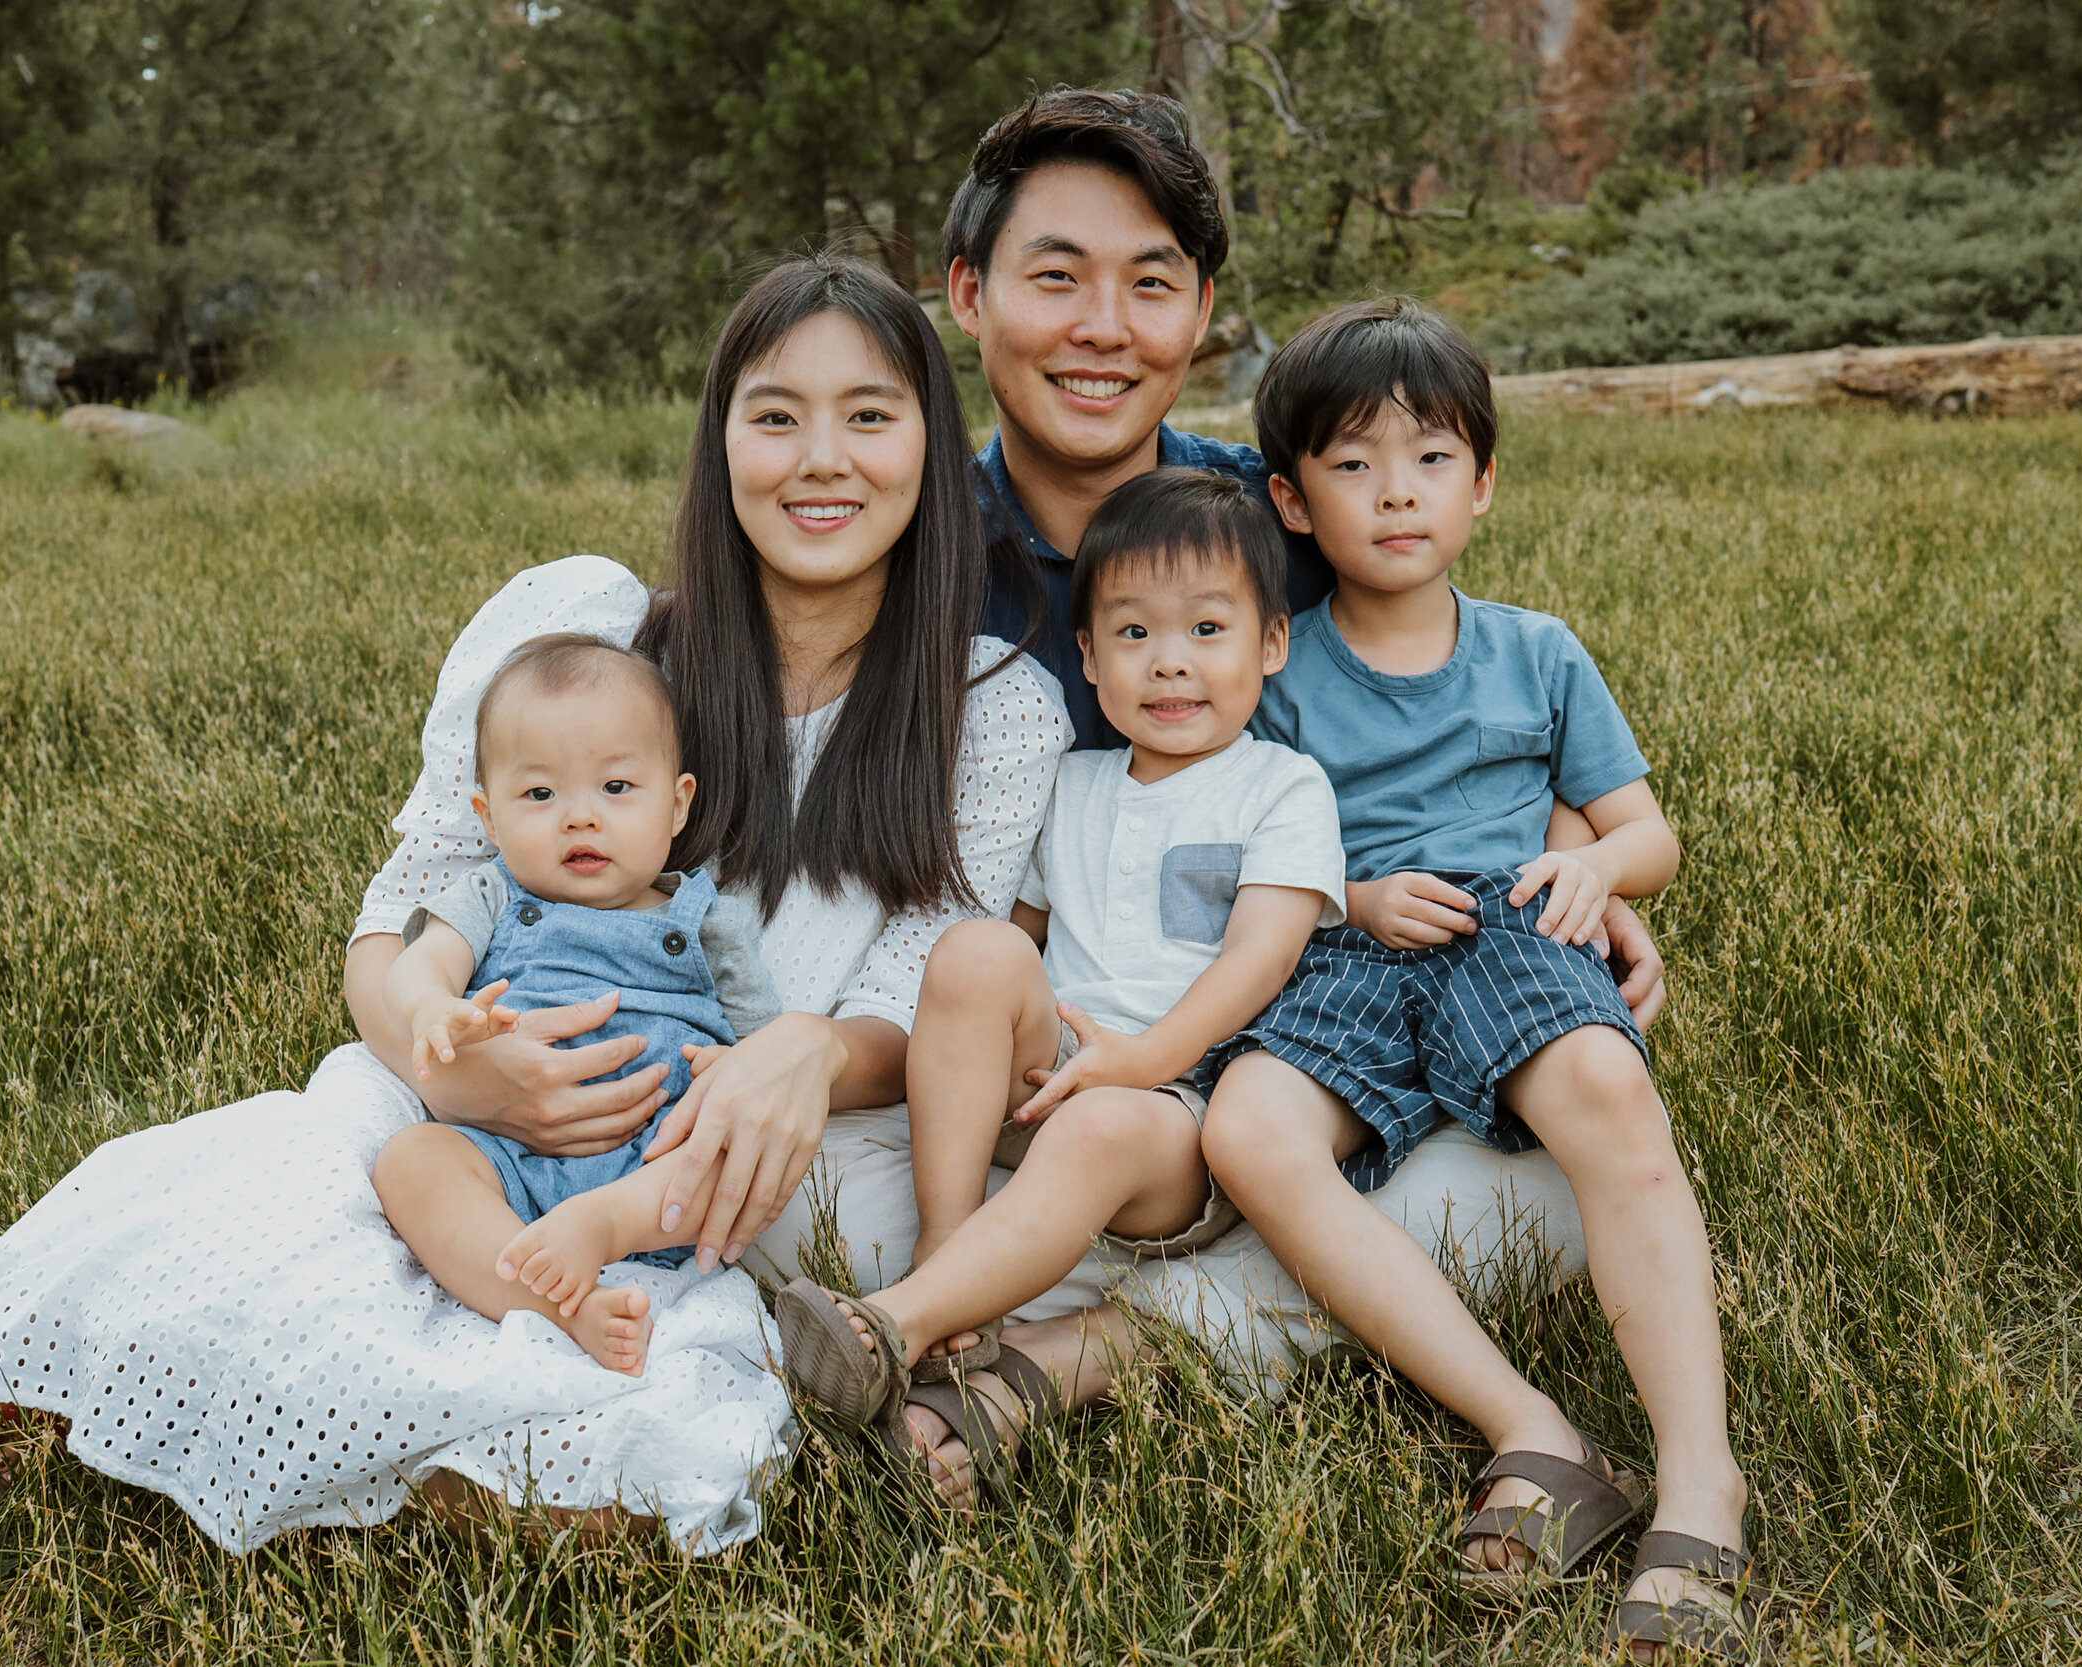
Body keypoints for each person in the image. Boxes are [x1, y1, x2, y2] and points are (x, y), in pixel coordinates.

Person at [0, 253, 1072, 1555]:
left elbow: (923, 976)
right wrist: (446, 1048)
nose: (822, 460)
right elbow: (403, 921)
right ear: (721, 444)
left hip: (746, 1171)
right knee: (292, 1183)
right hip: (472, 1126)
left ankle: (124, 1419)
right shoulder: (594, 641)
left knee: (617, 1472)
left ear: (929, 446)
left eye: (869, 416)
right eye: (776, 416)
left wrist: (797, 1057)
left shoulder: (990, 702)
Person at [744, 86, 1674, 1513]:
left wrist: (1568, 873)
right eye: (1057, 276)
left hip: (1301, 1066)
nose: (1104, 325)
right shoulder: (905, 539)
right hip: (1017, 1071)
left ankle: (1083, 1344)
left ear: (1203, 312)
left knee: (1534, 1183)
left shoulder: (1287, 524)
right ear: (970, 296)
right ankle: (1038, 1316)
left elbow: (1486, 711)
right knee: (831, 1208)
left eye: (1151, 283)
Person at [1198, 298, 1756, 1660]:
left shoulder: (1536, 650)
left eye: (1433, 456)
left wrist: (1601, 871)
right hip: (1347, 944)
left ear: (1485, 480)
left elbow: (1648, 829)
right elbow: (1230, 847)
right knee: (1249, 1129)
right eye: (1352, 462)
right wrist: (1350, 893)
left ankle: (1701, 1475)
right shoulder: (1276, 666)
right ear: (1288, 498)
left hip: (1511, 924)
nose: (1397, 490)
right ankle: (1539, 1430)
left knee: (1611, 1094)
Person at [772, 470, 1344, 1468]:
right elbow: (1018, 941)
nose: (1169, 665)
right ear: (1086, 653)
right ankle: (949, 1260)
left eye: (1207, 631)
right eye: (1132, 635)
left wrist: (1139, 1057)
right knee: (975, 947)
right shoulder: (1073, 782)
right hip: (1052, 1085)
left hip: (1180, 1114)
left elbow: (1263, 954)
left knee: (1104, 1121)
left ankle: (897, 1325)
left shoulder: (1280, 786)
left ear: (1272, 644)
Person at [370, 635, 783, 1375]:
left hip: (658, 1162)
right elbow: (420, 963)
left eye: (616, 789)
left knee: (726, 1152)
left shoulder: (706, 918)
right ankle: (565, 1307)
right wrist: (431, 1007)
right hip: (509, 1156)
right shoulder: (492, 893)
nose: (579, 817)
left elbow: (766, 1047)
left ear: (678, 803)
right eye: (540, 794)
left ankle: (598, 1228)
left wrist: (738, 1066)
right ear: (488, 817)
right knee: (411, 1161)